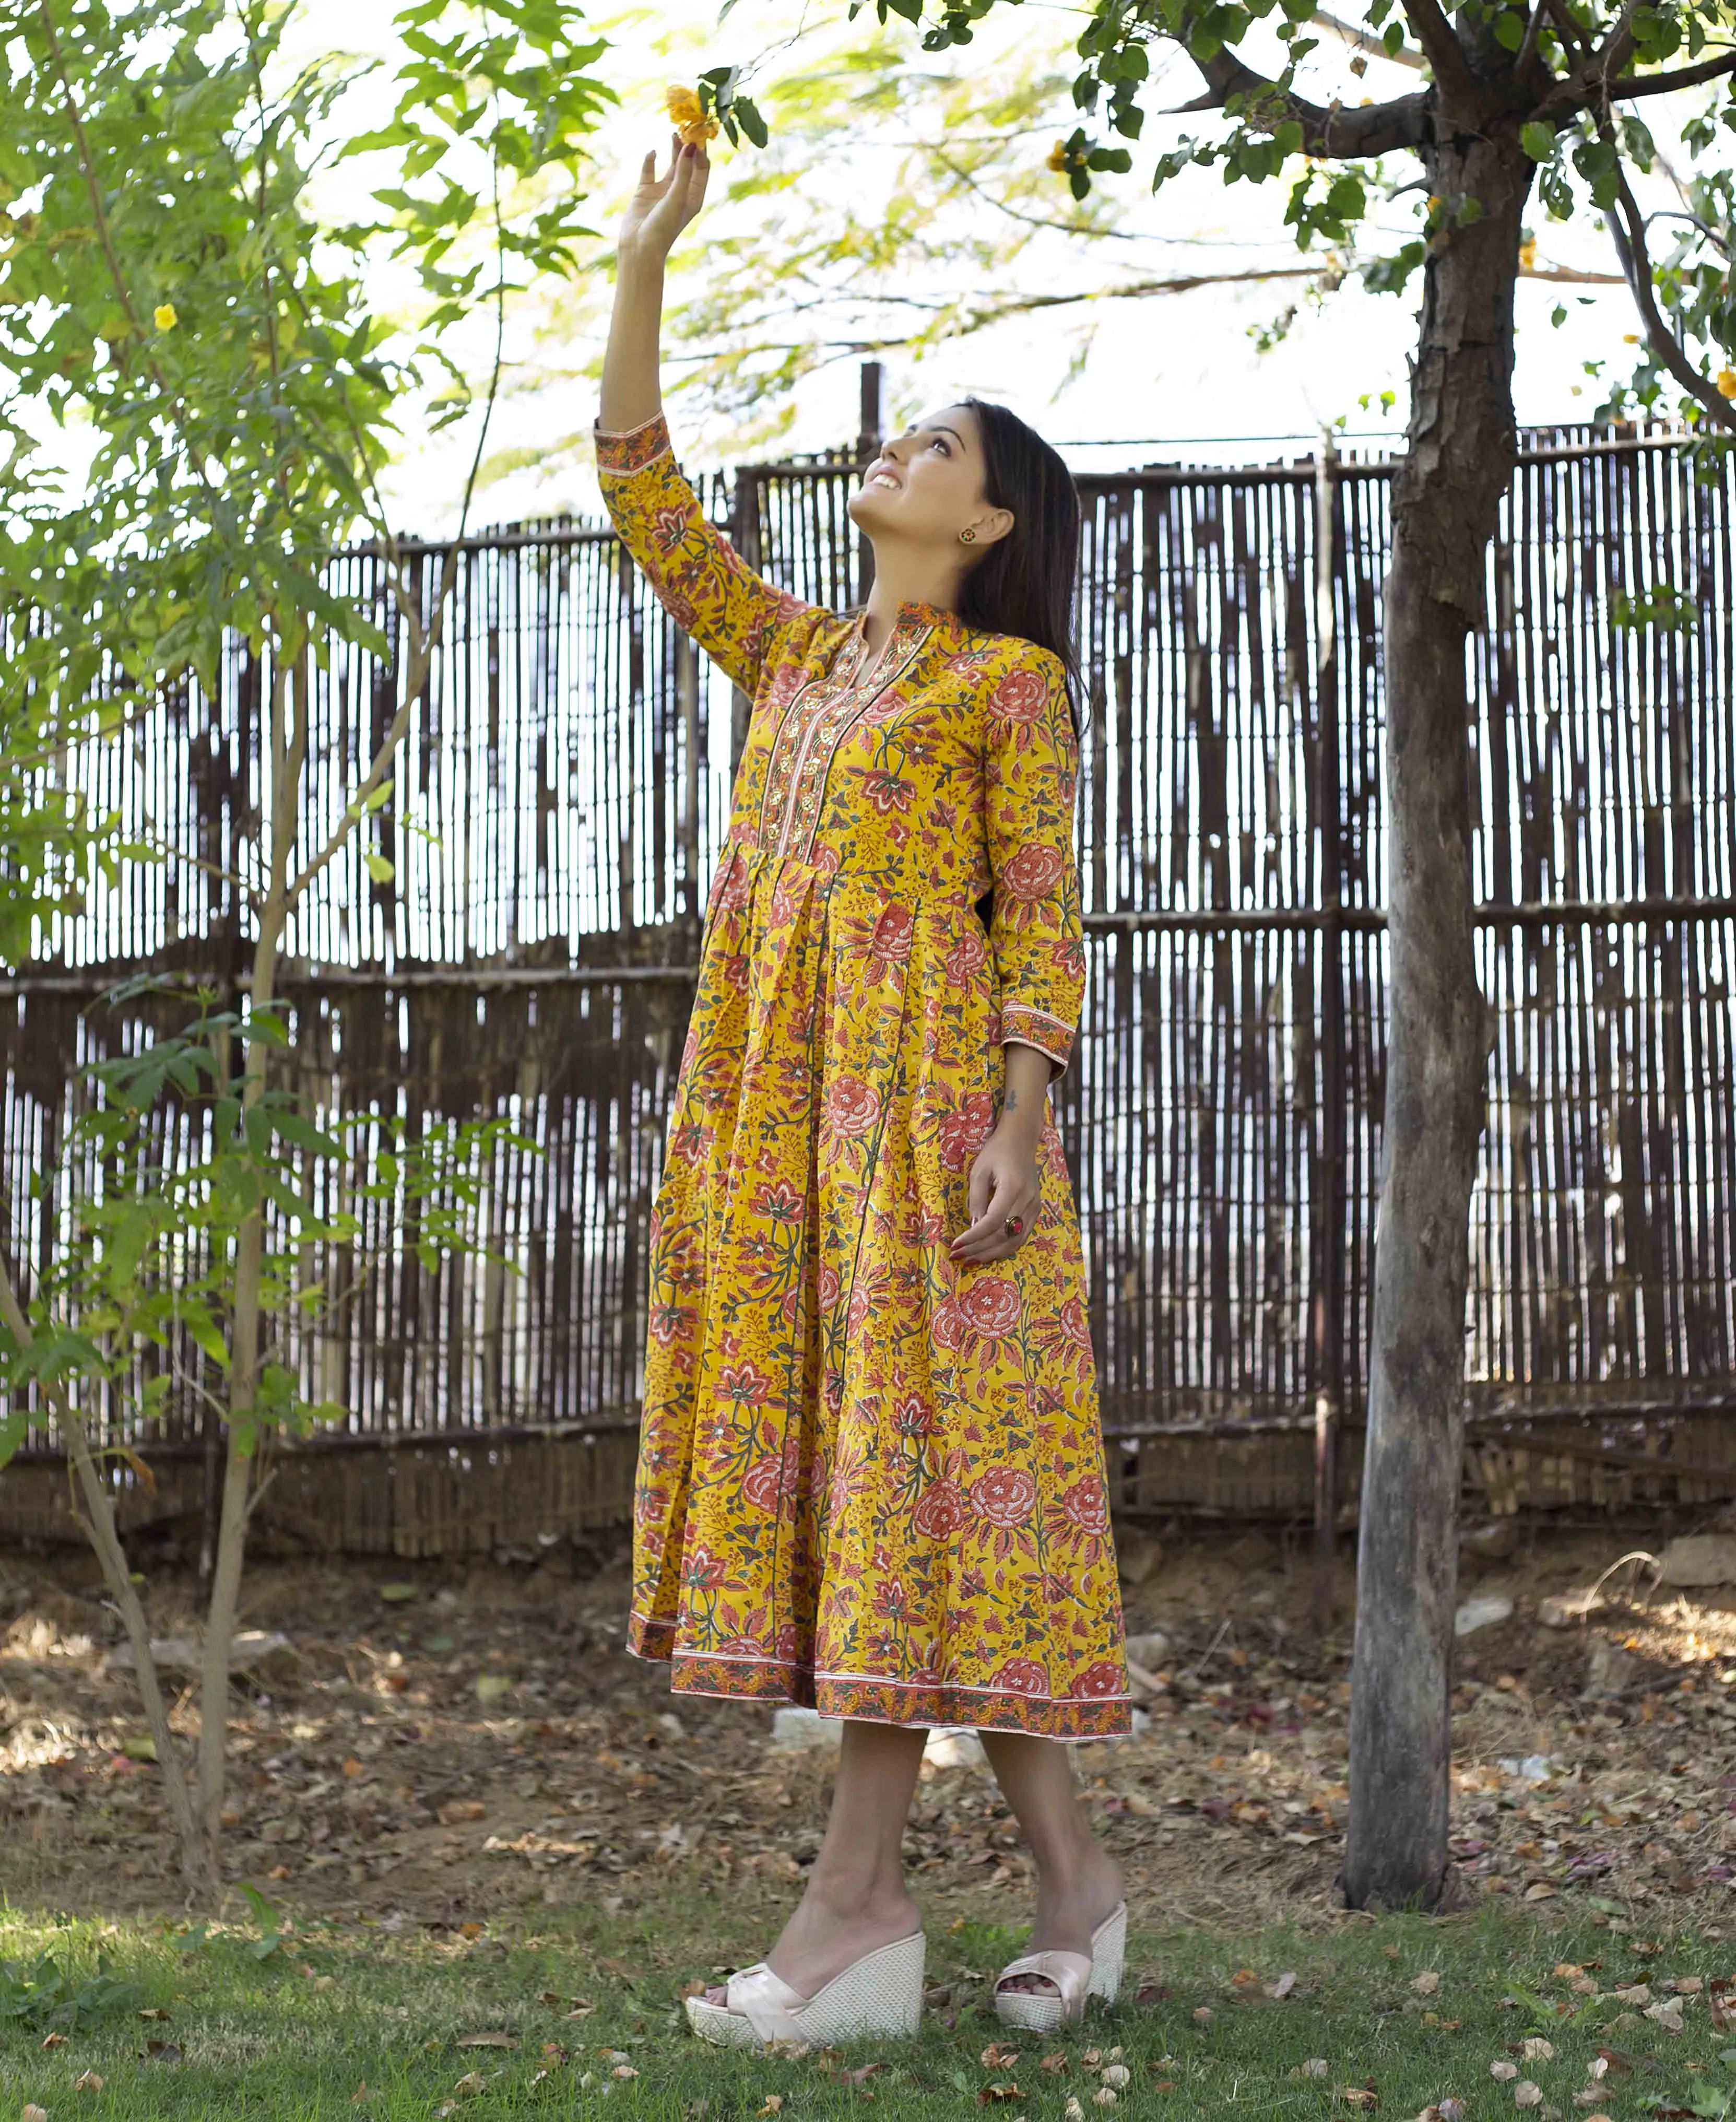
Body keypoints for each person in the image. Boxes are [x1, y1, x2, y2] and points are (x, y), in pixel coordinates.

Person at [597, 136, 1131, 2048]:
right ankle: (1075, 1890)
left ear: (985, 526)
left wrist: (1016, 1114)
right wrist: (643, 262)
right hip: (774, 1125)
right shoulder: (800, 656)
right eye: (905, 439)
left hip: (927, 1132)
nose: (901, 454)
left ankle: (853, 1915)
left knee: (924, 1501)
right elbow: (646, 502)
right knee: (905, 1513)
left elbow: (1044, 919)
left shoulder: (1005, 690)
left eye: (940, 450)